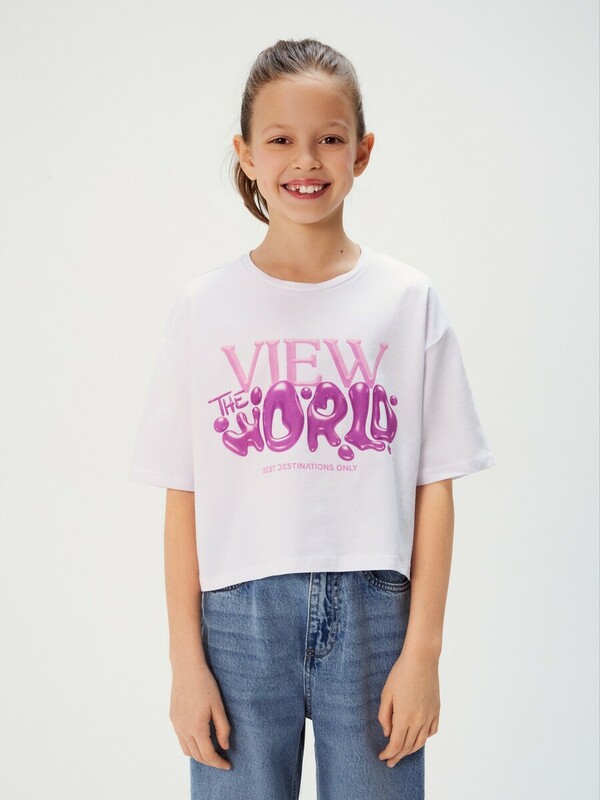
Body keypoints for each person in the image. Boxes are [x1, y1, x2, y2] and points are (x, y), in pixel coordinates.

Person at [130, 37, 496, 800]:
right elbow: (183, 493)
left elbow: (435, 485)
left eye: (329, 138)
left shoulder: (406, 300)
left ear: (362, 152)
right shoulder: (204, 307)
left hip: (375, 612)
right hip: (237, 619)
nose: (306, 160)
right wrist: (185, 663)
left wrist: (424, 652)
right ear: (245, 153)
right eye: (280, 140)